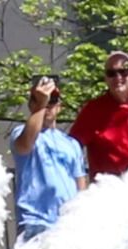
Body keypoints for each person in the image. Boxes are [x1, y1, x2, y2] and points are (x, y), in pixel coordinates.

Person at [9, 76, 88, 239]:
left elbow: (80, 183)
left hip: (67, 224)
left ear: (59, 106)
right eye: (38, 100)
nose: (47, 106)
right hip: (35, 222)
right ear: (31, 104)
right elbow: (25, 145)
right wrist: (41, 105)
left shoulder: (71, 143)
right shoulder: (20, 132)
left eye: (52, 100)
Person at [70, 50, 128, 179]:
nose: (118, 78)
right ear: (105, 78)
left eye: (124, 72)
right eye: (111, 73)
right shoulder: (93, 109)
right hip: (110, 189)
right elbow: (72, 147)